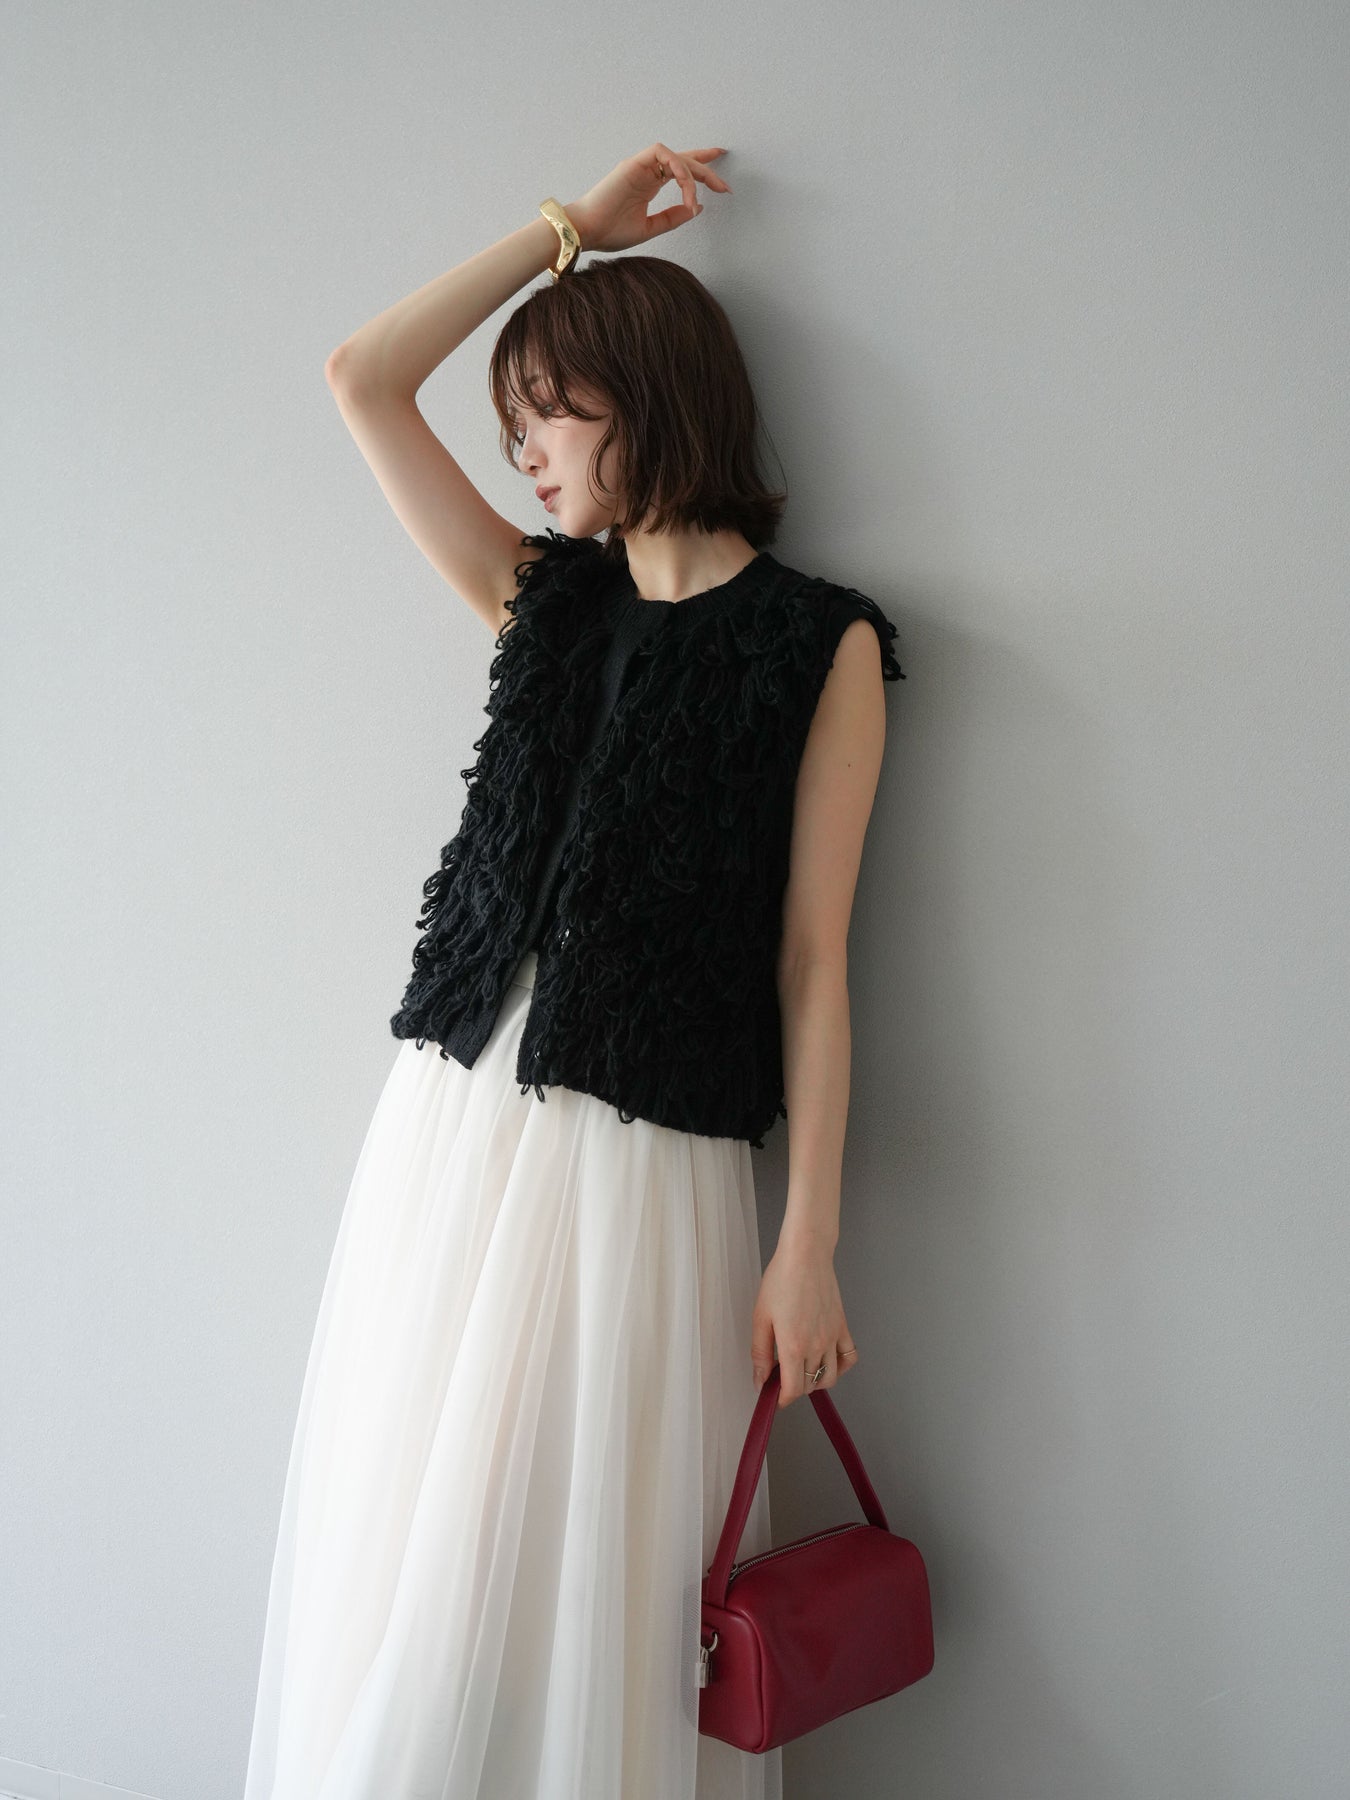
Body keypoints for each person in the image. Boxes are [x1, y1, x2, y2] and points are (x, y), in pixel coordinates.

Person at [243, 142, 905, 1800]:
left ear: (649, 400)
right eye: (513, 427)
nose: (525, 454)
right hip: (455, 1134)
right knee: (419, 1564)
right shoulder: (542, 604)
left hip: (646, 1163)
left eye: (549, 413)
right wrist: (566, 233)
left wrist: (807, 1245)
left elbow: (813, 962)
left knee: (580, 1584)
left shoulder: (817, 644)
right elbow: (361, 376)